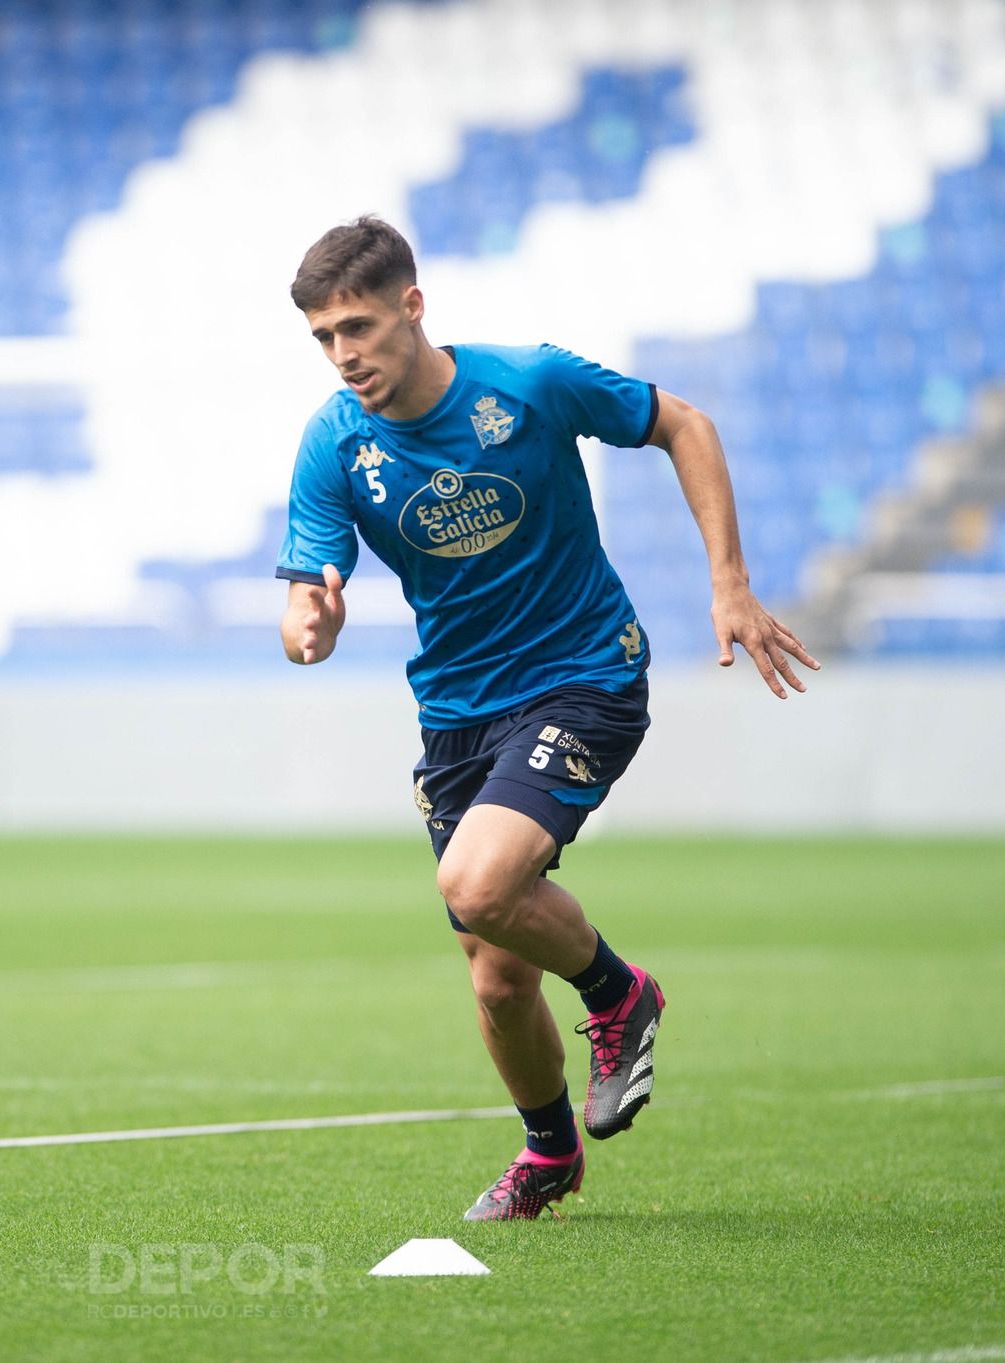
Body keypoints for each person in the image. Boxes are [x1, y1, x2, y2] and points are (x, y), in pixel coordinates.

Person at [277, 216, 818, 1221]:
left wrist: (729, 583)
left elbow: (681, 423)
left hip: (584, 676)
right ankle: (549, 1154)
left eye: (355, 325)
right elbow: (305, 600)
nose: (343, 354)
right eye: (321, 337)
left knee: (475, 883)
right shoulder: (333, 443)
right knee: (494, 981)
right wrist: (308, 619)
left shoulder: (525, 383)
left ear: (412, 305)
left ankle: (618, 993)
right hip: (455, 716)